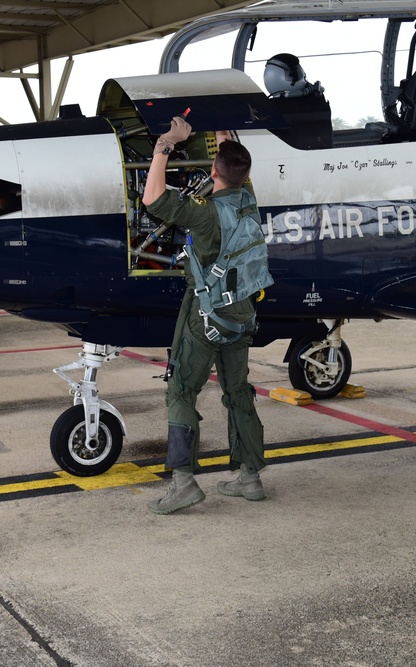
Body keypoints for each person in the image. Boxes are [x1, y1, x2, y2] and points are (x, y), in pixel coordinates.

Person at [142, 118, 268, 515]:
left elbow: (152, 199)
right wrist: (223, 134)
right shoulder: (249, 200)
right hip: (243, 311)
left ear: (214, 171)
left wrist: (166, 143)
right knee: (238, 392)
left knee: (180, 391)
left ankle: (183, 483)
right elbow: (232, 162)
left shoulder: (204, 214)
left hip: (207, 314)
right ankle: (250, 476)